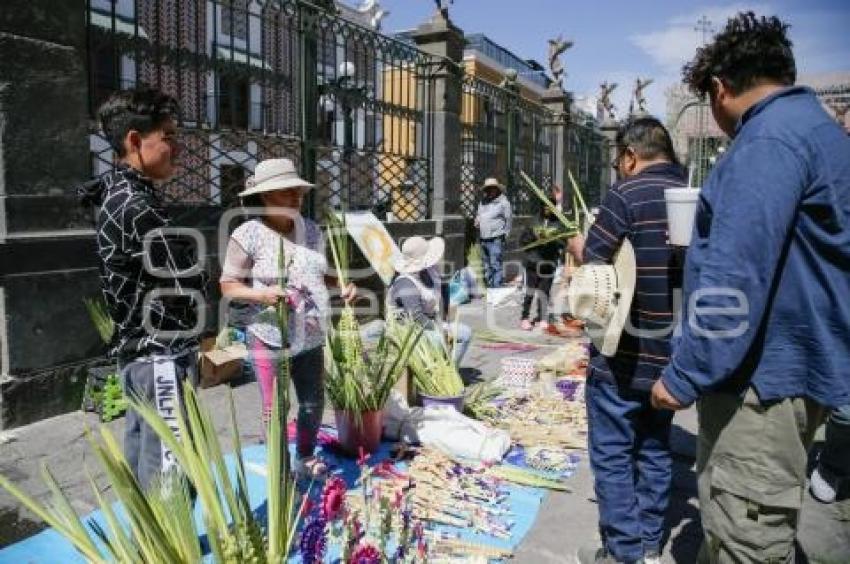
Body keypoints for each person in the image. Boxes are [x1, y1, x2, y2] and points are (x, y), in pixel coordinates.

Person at [650, 12, 850, 562]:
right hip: (794, 368)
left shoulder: (769, 141)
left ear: (719, 89)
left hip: (761, 386)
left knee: (747, 534)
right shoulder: (813, 127)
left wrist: (687, 372)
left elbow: (737, 275)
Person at [80, 88, 208, 491]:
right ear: (135, 141)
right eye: (168, 136)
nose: (178, 148)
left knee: (146, 455)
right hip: (159, 355)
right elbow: (187, 275)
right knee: (167, 470)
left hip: (141, 353)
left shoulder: (119, 194)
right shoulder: (135, 205)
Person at [571, 117, 686, 564]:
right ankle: (651, 544)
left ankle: (622, 552)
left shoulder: (625, 195)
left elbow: (596, 265)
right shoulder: (696, 198)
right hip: (672, 357)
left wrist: (579, 246)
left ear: (629, 156)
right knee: (656, 448)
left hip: (622, 356)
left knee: (614, 453)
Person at [220, 158, 355, 480]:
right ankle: (280, 469)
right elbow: (228, 285)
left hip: (311, 336)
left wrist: (344, 286)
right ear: (266, 197)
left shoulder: (309, 228)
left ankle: (305, 457)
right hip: (271, 336)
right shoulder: (248, 234)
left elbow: (321, 275)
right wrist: (262, 296)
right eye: (287, 193)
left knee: (311, 404)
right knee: (276, 410)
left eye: (299, 192)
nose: (296, 199)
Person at [387, 236, 472, 365]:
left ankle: (451, 372)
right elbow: (416, 316)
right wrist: (440, 328)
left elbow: (442, 288)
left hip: (430, 322)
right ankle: (437, 374)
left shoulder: (429, 270)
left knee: (465, 333)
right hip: (409, 329)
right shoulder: (406, 283)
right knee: (439, 340)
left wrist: (444, 319)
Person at [518, 200, 563, 331]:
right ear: (541, 207)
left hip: (549, 263)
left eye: (551, 207)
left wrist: (553, 238)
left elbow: (563, 243)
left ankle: (542, 317)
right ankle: (525, 318)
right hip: (533, 262)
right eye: (545, 206)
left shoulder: (559, 223)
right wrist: (536, 237)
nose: (548, 209)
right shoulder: (533, 221)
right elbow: (523, 241)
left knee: (544, 292)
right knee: (530, 291)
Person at [475, 177, 512, 287]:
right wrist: (477, 220)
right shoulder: (483, 202)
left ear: (497, 189)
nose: (490, 191)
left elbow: (509, 220)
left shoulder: (504, 202)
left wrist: (506, 235)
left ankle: (496, 288)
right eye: (488, 189)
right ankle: (490, 287)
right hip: (483, 238)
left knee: (495, 264)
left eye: (492, 188)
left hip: (496, 238)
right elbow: (479, 215)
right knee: (486, 265)